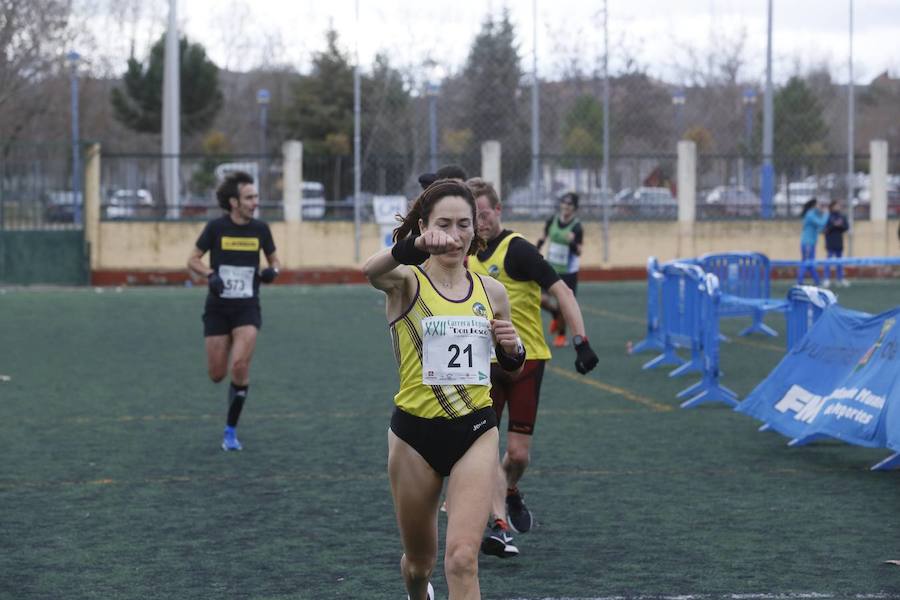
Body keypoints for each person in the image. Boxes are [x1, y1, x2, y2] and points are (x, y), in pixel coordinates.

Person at [362, 179, 525, 600]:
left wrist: (514, 348)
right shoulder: (406, 282)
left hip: (475, 431)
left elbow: (510, 362)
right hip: (414, 436)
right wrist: (414, 245)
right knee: (419, 564)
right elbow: (370, 270)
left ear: (477, 230)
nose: (454, 236)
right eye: (444, 224)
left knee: (462, 560)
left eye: (464, 225)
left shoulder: (492, 291)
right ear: (424, 226)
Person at [466, 177, 599, 558]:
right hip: (483, 365)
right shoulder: (465, 254)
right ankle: (498, 525)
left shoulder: (517, 250)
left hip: (528, 360)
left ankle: (509, 491)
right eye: (473, 217)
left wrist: (580, 340)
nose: (480, 223)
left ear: (498, 211)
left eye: (485, 214)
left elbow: (561, 291)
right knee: (484, 448)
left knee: (518, 455)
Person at [187, 171, 280, 451]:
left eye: (256, 197)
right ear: (233, 202)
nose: (255, 202)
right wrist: (210, 274)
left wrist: (271, 272)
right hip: (217, 308)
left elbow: (275, 261)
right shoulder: (216, 228)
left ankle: (230, 431)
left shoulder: (261, 229)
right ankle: (229, 397)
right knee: (217, 373)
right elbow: (192, 260)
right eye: (249, 197)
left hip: (247, 308)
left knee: (239, 366)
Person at [535, 192, 584, 347]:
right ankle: (555, 314)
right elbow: (542, 238)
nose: (566, 207)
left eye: (569, 204)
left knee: (564, 305)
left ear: (575, 208)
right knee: (540, 299)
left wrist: (572, 243)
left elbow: (579, 251)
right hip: (550, 268)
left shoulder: (577, 227)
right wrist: (536, 249)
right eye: (564, 203)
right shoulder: (552, 221)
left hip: (568, 271)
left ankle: (561, 336)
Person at [797, 197, 828, 285]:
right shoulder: (810, 214)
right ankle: (800, 282)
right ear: (814, 205)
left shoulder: (813, 215)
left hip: (811, 243)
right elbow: (821, 223)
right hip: (807, 243)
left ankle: (816, 281)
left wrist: (822, 230)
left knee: (810, 263)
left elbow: (818, 228)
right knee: (806, 262)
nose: (820, 206)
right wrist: (826, 214)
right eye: (818, 204)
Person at [823, 199, 850, 288]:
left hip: (839, 242)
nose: (838, 207)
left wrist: (840, 225)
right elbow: (825, 229)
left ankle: (840, 279)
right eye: (836, 205)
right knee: (828, 261)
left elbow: (846, 227)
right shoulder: (827, 216)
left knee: (839, 261)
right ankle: (827, 279)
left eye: (838, 206)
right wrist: (833, 225)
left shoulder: (842, 216)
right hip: (830, 241)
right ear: (832, 207)